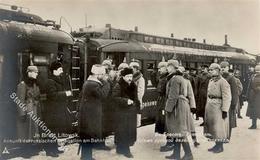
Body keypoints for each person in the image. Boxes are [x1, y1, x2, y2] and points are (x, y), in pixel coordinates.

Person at [78, 64, 110, 160]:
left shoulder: (89, 82)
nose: (104, 76)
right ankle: (86, 158)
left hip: (88, 115)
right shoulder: (93, 84)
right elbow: (103, 95)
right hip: (90, 116)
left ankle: (86, 157)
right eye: (103, 74)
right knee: (88, 136)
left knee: (87, 136)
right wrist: (106, 83)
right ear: (98, 74)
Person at [165, 59, 193, 160]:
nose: (167, 68)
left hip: (177, 107)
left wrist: (168, 109)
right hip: (179, 105)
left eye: (168, 66)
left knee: (180, 132)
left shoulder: (175, 78)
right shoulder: (178, 77)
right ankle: (176, 154)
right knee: (177, 131)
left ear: (172, 67)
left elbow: (173, 96)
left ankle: (189, 155)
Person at [44, 61, 73, 157]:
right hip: (52, 111)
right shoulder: (50, 82)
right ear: (54, 71)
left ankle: (54, 148)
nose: (62, 71)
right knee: (51, 130)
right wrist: (66, 94)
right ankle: (50, 151)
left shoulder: (57, 80)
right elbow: (53, 95)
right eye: (60, 69)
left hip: (57, 110)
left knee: (55, 130)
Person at [204, 63, 231, 153]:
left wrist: (225, 110)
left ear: (218, 70)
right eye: (210, 70)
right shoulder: (211, 80)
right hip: (210, 106)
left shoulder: (223, 82)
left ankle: (220, 146)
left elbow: (227, 97)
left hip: (218, 106)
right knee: (212, 127)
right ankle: (216, 144)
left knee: (219, 127)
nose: (210, 71)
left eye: (212, 70)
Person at [112, 67, 139, 158]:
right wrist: (126, 101)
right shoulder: (118, 85)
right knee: (124, 132)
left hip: (131, 113)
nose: (130, 78)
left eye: (131, 76)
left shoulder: (133, 85)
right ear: (123, 76)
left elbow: (136, 98)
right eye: (127, 76)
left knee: (127, 131)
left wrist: (138, 110)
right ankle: (126, 151)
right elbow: (114, 98)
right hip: (122, 113)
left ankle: (120, 149)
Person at [16, 66, 41, 152]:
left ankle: (31, 149)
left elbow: (37, 96)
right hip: (26, 111)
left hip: (33, 110)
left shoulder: (35, 84)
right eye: (35, 72)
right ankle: (25, 151)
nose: (37, 74)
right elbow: (20, 100)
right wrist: (22, 114)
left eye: (37, 72)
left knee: (32, 131)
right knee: (25, 132)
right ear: (29, 73)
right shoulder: (22, 85)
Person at [154, 59, 173, 152]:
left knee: (167, 123)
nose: (159, 70)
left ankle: (170, 143)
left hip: (164, 102)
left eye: (161, 68)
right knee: (165, 122)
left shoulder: (166, 79)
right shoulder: (164, 78)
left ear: (166, 69)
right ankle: (170, 142)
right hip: (162, 101)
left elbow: (161, 90)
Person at [181, 66, 200, 148]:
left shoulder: (187, 81)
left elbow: (191, 95)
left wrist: (192, 107)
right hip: (176, 107)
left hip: (186, 105)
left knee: (191, 124)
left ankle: (195, 140)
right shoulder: (172, 80)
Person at [220, 61, 238, 139]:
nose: (223, 69)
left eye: (224, 67)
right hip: (221, 102)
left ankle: (228, 136)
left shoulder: (231, 78)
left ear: (228, 68)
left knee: (229, 119)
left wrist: (234, 103)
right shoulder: (219, 77)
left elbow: (234, 92)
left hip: (229, 102)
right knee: (221, 119)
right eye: (222, 68)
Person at [129, 60, 145, 127]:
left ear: (135, 68)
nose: (130, 69)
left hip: (136, 99)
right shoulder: (130, 77)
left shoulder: (140, 79)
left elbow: (140, 91)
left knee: (136, 115)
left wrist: (137, 100)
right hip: (130, 99)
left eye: (131, 68)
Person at [246, 64, 260, 129]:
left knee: (258, 110)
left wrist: (257, 88)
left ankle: (254, 125)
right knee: (253, 111)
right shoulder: (252, 76)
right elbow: (249, 86)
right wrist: (247, 95)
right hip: (252, 95)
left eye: (258, 71)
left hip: (258, 96)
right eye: (256, 71)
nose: (257, 72)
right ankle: (253, 125)